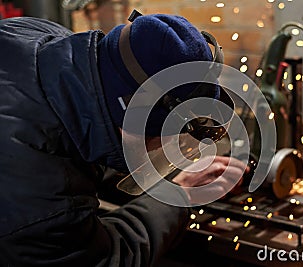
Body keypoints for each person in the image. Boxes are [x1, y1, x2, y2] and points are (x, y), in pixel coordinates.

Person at [0, 10, 247, 267]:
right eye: (166, 139)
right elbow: (107, 259)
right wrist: (178, 195)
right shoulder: (39, 195)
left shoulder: (39, 36)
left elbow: (86, 130)